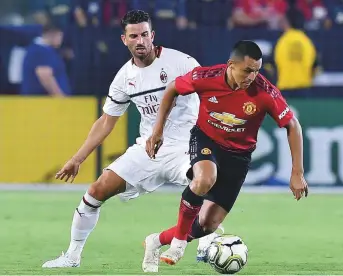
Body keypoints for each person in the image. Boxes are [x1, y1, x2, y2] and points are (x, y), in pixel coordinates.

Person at [41, 10, 223, 271]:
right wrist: (77, 158)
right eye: (134, 36)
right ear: (124, 40)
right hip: (148, 150)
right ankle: (71, 256)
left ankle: (208, 240)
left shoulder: (181, 63)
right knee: (96, 191)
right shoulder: (124, 78)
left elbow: (211, 93)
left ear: (153, 35)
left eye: (145, 34)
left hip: (186, 146)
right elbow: (106, 122)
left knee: (204, 185)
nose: (141, 41)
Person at [145, 40, 309, 266]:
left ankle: (157, 240)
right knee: (204, 179)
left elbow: (293, 126)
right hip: (206, 139)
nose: (252, 76)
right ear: (231, 65)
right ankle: (178, 244)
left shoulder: (264, 92)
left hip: (238, 157)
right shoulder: (206, 77)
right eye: (248, 70)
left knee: (207, 224)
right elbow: (172, 88)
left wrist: (297, 172)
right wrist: (158, 130)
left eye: (257, 71)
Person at [21, 24, 71, 97]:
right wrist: (60, 97)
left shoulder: (44, 50)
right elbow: (45, 75)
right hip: (43, 102)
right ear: (52, 35)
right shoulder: (41, 50)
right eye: (60, 36)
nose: (61, 40)